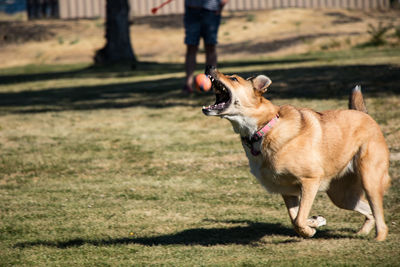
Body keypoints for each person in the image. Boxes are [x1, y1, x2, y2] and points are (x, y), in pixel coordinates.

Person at [183, 0, 229, 93]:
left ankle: (212, 82)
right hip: (192, 11)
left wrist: (221, 6)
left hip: (210, 11)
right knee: (191, 47)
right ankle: (188, 84)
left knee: (210, 47)